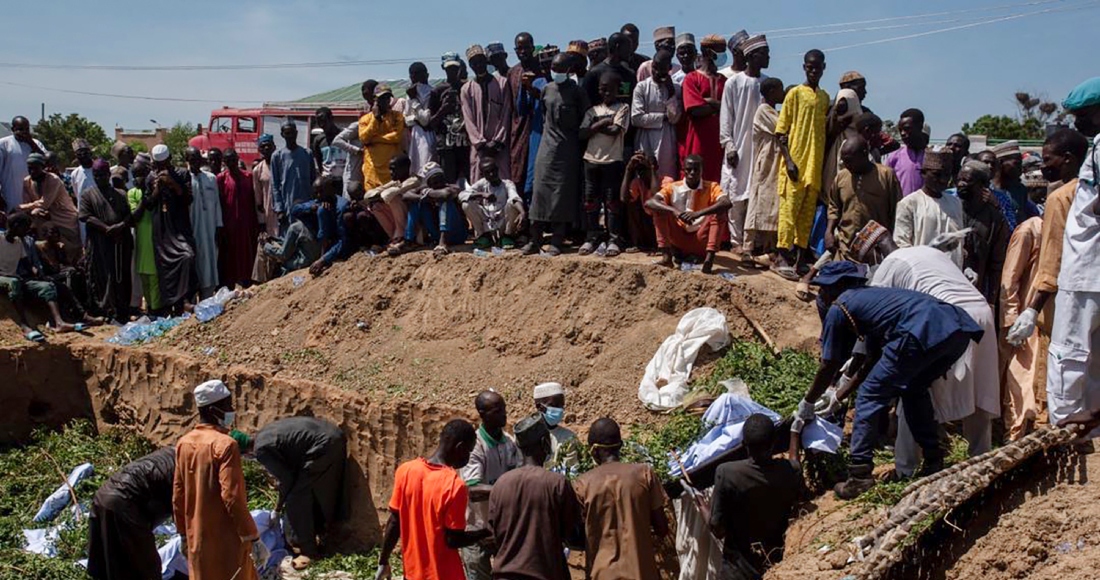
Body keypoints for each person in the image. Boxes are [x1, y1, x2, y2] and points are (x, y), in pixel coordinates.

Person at [798, 261, 984, 498]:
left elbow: (829, 364)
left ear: (840, 285)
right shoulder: (871, 300)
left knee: (869, 395)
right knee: (913, 389)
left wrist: (808, 402)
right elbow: (872, 360)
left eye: (825, 288)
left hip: (921, 330)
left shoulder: (840, 306)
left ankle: (859, 474)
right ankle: (933, 458)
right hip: (955, 331)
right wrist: (837, 395)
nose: (822, 294)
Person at [867, 243, 1000, 475]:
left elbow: (876, 321)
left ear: (876, 250)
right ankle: (981, 458)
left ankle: (905, 469)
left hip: (948, 318)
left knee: (913, 389)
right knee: (980, 387)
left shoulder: (889, 264)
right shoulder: (930, 252)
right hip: (981, 312)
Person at [1005, 129, 1090, 413]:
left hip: (1063, 303)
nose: (1043, 166)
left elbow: (1052, 258)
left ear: (1067, 159)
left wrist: (1032, 309)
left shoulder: (1061, 197)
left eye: (1048, 159)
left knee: (1055, 382)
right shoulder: (1092, 193)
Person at [1041, 78, 1100, 427]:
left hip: (1086, 268)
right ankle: (1089, 425)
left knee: (1070, 351)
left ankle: (1065, 425)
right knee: (1092, 358)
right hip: (1089, 265)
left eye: (1082, 116)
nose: (1077, 124)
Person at [173, 380, 265, 580]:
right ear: (214, 409)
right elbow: (232, 497)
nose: (231, 410)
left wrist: (182, 533)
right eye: (228, 405)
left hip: (196, 539)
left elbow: (178, 494)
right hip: (225, 543)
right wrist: (253, 537)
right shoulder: (225, 445)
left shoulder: (184, 443)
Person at [375, 419, 487, 580]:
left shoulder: (406, 471)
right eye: (468, 451)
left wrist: (383, 561)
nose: (468, 457)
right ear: (460, 448)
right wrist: (484, 533)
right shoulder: (454, 485)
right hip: (444, 575)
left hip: (413, 574)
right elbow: (453, 540)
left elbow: (394, 522)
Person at [237, 417, 347, 570]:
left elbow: (287, 480)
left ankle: (309, 552)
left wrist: (278, 507)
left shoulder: (261, 450)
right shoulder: (263, 434)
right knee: (310, 488)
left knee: (296, 499)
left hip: (323, 445)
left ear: (244, 452)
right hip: (333, 434)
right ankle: (321, 530)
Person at [487, 413, 583, 580]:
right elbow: (572, 536)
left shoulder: (500, 485)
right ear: (545, 443)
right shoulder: (557, 484)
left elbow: (494, 535)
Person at [573, 417, 669, 580]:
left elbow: (576, 536)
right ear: (621, 446)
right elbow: (662, 528)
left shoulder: (582, 484)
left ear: (594, 450)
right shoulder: (644, 474)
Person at [710, 414, 802, 579]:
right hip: (774, 564)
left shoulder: (726, 473)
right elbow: (795, 465)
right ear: (774, 444)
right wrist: (794, 434)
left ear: (743, 444)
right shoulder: (788, 472)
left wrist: (700, 501)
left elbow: (717, 529)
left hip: (737, 570)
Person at [524, 53, 590, 257]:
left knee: (562, 195)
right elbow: (543, 113)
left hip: (567, 149)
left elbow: (587, 116)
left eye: (560, 69)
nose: (556, 72)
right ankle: (534, 240)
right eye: (554, 67)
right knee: (539, 192)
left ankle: (557, 240)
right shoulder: (547, 89)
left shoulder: (577, 92)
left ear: (569, 71)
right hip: (546, 147)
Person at [774, 50, 830, 280]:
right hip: (795, 162)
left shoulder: (825, 98)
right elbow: (780, 132)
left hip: (814, 166)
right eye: (810, 67)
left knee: (806, 215)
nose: (813, 70)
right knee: (789, 212)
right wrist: (788, 160)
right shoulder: (795, 94)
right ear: (804, 67)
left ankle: (799, 260)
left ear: (823, 68)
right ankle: (781, 257)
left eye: (817, 67)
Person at [86, 447, 175, 580]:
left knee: (108, 565)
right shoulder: (189, 470)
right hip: (124, 504)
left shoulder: (174, 454)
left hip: (103, 496)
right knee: (145, 569)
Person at [459, 390, 521, 580]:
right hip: (477, 530)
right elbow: (472, 490)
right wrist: (505, 489)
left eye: (503, 408)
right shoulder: (475, 445)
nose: (504, 414)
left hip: (503, 528)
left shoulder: (509, 442)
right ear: (482, 414)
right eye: (497, 410)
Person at [719, 34, 769, 255]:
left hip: (760, 148)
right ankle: (735, 240)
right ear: (751, 56)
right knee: (736, 193)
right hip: (738, 146)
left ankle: (753, 242)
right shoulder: (733, 83)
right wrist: (729, 145)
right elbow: (726, 116)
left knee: (756, 194)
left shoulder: (767, 84)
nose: (768, 57)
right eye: (763, 54)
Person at [646, 155, 731, 273]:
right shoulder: (673, 187)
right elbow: (650, 202)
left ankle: (709, 260)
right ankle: (666, 257)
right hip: (678, 238)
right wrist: (676, 212)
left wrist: (698, 214)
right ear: (683, 170)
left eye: (696, 170)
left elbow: (726, 203)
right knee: (660, 210)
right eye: (689, 169)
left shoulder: (712, 186)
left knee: (719, 212)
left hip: (702, 240)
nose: (692, 173)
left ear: (702, 170)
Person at [0, 212, 77, 341]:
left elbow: (26, 263)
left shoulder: (19, 242)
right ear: (16, 226)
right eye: (25, 227)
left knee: (46, 286)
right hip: (3, 277)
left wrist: (38, 275)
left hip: (14, 277)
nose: (28, 230)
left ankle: (59, 322)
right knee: (14, 283)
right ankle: (24, 325)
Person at [1001, 214, 1043, 439]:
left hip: (1047, 319)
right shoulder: (1029, 231)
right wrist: (1012, 318)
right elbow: (1010, 279)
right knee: (1020, 377)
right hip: (1025, 318)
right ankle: (1014, 436)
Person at [825, 135, 901, 259]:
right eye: (844, 160)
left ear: (864, 154)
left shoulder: (886, 175)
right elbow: (834, 207)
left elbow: (897, 211)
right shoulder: (841, 177)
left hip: (876, 251)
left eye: (849, 160)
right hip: (845, 248)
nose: (846, 164)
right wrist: (829, 232)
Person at [580, 71, 630, 256]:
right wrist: (602, 123)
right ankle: (592, 236)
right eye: (603, 89)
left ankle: (614, 239)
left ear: (617, 89)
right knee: (591, 201)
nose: (606, 92)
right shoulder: (592, 110)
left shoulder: (623, 108)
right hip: (591, 159)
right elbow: (582, 133)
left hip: (612, 160)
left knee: (612, 202)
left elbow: (615, 130)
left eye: (610, 89)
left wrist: (595, 126)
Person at [80, 159, 134, 322]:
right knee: (103, 277)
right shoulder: (88, 194)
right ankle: (107, 311)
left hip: (120, 242)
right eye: (96, 175)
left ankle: (122, 310)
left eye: (103, 175)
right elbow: (85, 216)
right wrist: (106, 229)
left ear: (108, 175)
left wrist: (119, 226)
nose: (99, 178)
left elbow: (129, 216)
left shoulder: (121, 193)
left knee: (121, 276)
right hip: (100, 244)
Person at [148, 144, 199, 314]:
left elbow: (187, 199)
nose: (161, 168)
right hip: (162, 228)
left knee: (187, 256)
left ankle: (185, 299)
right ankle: (170, 304)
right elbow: (149, 205)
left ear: (170, 160)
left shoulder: (182, 174)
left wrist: (172, 183)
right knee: (164, 265)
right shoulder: (151, 178)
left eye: (164, 164)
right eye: (158, 165)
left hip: (179, 226)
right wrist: (157, 187)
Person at [893, 150, 965, 267]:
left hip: (953, 273)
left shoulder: (955, 203)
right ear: (923, 173)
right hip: (924, 273)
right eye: (936, 174)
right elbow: (902, 244)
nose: (942, 180)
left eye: (946, 175)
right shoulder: (909, 203)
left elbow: (960, 243)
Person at [953, 160, 1010, 306]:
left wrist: (991, 302)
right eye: (959, 179)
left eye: (967, 180)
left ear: (983, 185)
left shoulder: (994, 219)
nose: (960, 184)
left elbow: (997, 265)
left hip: (977, 295)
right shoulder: (950, 209)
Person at [745, 78, 785, 265]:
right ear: (770, 92)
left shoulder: (772, 110)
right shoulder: (764, 111)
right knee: (758, 201)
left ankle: (768, 249)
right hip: (766, 163)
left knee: (772, 204)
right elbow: (783, 128)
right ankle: (748, 247)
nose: (783, 93)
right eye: (780, 90)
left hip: (775, 163)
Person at [462, 45, 512, 183]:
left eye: (480, 60)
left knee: (504, 181)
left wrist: (497, 142)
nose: (478, 65)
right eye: (474, 63)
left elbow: (506, 113)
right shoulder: (467, 89)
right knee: (478, 181)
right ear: (470, 65)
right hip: (479, 147)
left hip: (499, 146)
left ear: (486, 61)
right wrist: (480, 144)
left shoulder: (502, 83)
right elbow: (468, 119)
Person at [681, 34, 727, 183]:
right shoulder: (692, 79)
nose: (723, 56)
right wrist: (720, 106)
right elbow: (694, 110)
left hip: (721, 140)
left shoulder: (724, 81)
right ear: (708, 53)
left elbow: (731, 109)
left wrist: (710, 102)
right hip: (699, 140)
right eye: (719, 51)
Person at [632, 49, 682, 181]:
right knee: (645, 179)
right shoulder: (641, 87)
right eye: (655, 68)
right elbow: (636, 118)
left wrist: (670, 91)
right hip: (645, 140)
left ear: (669, 69)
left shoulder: (675, 88)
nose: (657, 72)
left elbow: (675, 118)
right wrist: (663, 117)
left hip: (667, 140)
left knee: (667, 180)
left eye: (662, 69)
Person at [22, 153, 81, 263]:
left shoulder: (53, 179)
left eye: (36, 168)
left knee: (71, 251)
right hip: (44, 220)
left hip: (64, 219)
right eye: (30, 169)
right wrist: (30, 209)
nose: (32, 172)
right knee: (47, 250)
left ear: (43, 168)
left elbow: (44, 203)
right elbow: (28, 204)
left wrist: (22, 207)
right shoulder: (27, 181)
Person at [404, 162, 467, 256]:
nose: (439, 184)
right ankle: (408, 240)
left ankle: (443, 242)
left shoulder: (453, 188)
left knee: (445, 201)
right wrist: (422, 197)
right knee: (416, 203)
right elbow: (406, 196)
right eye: (435, 183)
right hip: (435, 232)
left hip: (457, 234)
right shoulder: (425, 189)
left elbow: (445, 194)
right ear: (429, 184)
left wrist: (427, 193)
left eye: (440, 181)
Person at [217, 149, 259, 289]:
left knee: (247, 253)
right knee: (230, 255)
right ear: (224, 162)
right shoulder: (221, 178)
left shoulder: (248, 177)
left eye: (233, 160)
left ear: (237, 159)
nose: (231, 163)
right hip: (229, 224)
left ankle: (247, 281)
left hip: (247, 223)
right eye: (228, 161)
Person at [461, 157, 524, 248]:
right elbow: (462, 195)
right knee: (466, 204)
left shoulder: (507, 184)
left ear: (497, 170)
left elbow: (514, 197)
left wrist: (522, 212)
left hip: (503, 221)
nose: (491, 174)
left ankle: (507, 236)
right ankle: (484, 236)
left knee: (512, 204)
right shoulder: (482, 184)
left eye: (493, 170)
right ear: (483, 174)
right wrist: (482, 195)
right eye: (487, 172)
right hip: (487, 222)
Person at [126, 157, 162, 313]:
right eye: (135, 175)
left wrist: (151, 191)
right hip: (141, 239)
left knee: (154, 275)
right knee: (144, 275)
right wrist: (145, 194)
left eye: (141, 174)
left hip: (156, 238)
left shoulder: (157, 190)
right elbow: (136, 216)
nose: (138, 178)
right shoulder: (133, 193)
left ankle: (156, 308)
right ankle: (148, 305)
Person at [186, 147, 223, 298]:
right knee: (194, 264)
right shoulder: (184, 179)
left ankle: (207, 298)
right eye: (191, 159)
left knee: (209, 263)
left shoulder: (210, 178)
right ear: (187, 161)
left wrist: (219, 226)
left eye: (197, 159)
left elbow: (217, 205)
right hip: (192, 229)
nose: (194, 162)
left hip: (210, 230)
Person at [431, 52, 471, 186]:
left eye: (455, 68)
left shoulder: (467, 87)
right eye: (449, 68)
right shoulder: (437, 91)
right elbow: (431, 123)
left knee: (471, 181)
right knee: (449, 182)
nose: (452, 71)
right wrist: (444, 109)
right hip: (446, 145)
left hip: (466, 144)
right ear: (443, 68)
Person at [367, 154, 421, 253]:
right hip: (401, 223)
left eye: (393, 169)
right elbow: (368, 196)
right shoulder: (396, 182)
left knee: (394, 198)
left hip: (416, 225)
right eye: (390, 169)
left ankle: (402, 238)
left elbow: (388, 194)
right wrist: (378, 197)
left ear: (405, 169)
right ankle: (395, 237)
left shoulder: (414, 180)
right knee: (375, 206)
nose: (391, 173)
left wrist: (379, 195)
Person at [508, 32, 540, 196]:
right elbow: (510, 107)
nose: (523, 52)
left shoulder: (541, 69)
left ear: (533, 48)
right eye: (519, 49)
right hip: (519, 130)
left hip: (538, 130)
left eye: (526, 48)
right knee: (518, 175)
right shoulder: (513, 73)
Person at [360, 85, 407, 190]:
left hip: (391, 171)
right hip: (372, 170)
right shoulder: (365, 119)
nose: (386, 101)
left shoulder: (397, 116)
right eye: (382, 98)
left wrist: (375, 139)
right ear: (375, 100)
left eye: (387, 98)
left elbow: (396, 137)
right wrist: (376, 119)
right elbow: (364, 138)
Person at [272, 121, 315, 235]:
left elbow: (313, 180)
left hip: (307, 205)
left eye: (292, 133)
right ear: (282, 135)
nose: (290, 136)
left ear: (296, 133)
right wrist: (279, 209)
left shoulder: (307, 153)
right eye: (287, 133)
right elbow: (275, 185)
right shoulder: (277, 156)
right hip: (287, 206)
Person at [260, 203, 322, 275]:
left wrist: (265, 245)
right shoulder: (318, 223)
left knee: (268, 252)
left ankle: (260, 279)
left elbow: (283, 255)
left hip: (303, 262)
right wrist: (274, 239)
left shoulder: (295, 227)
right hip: (315, 257)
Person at [0, 116, 47, 213]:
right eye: (20, 129)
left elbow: (46, 162)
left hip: (33, 197)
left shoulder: (36, 143)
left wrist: (31, 142)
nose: (24, 132)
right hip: (10, 196)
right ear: (13, 129)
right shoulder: (3, 144)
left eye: (27, 129)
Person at [620, 152, 661, 252]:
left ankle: (660, 245)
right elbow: (623, 198)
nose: (641, 173)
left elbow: (657, 196)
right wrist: (628, 170)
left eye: (644, 169)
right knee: (632, 206)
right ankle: (638, 243)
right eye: (639, 170)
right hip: (647, 224)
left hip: (661, 223)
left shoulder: (666, 181)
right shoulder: (638, 182)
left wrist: (651, 168)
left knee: (658, 210)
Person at [584, 32, 636, 109]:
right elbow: (586, 102)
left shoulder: (629, 74)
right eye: (628, 48)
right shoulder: (594, 74)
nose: (630, 52)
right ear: (617, 47)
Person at [533, 381, 577, 469]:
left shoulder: (569, 437)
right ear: (539, 407)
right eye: (554, 405)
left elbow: (572, 470)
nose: (559, 409)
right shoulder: (527, 436)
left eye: (561, 405)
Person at [403, 62, 437, 175]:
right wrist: (415, 119)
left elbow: (425, 120)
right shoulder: (410, 93)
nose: (413, 78)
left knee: (427, 166)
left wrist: (414, 100)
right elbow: (406, 119)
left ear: (426, 75)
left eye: (416, 75)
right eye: (411, 75)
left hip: (427, 135)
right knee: (415, 168)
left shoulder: (431, 92)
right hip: (415, 134)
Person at [884, 109, 928, 197]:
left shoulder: (931, 157)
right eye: (900, 130)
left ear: (920, 126)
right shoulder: (894, 157)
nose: (903, 133)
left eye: (907, 129)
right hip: (902, 208)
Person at [253, 134, 279, 239]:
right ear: (259, 149)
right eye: (263, 146)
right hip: (267, 215)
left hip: (282, 214)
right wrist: (261, 222)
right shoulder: (258, 170)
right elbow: (258, 200)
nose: (266, 148)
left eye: (269, 145)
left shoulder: (281, 165)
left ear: (274, 147)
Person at [311, 107, 347, 179]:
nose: (322, 125)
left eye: (323, 121)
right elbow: (319, 161)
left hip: (344, 178)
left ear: (331, 118)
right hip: (327, 180)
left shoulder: (345, 136)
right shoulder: (319, 140)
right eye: (319, 122)